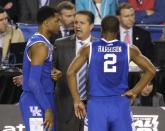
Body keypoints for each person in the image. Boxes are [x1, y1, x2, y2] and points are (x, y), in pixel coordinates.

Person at [67, 15, 156, 131]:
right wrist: (135, 91)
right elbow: (151, 70)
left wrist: (76, 100)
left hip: (96, 105)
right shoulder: (130, 49)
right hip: (120, 103)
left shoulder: (89, 48)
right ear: (118, 30)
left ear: (101, 30)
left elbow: (70, 73)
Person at [52, 10, 97, 131]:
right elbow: (51, 67)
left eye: (82, 23)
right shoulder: (60, 44)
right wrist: (53, 72)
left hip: (92, 105)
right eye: (76, 22)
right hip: (66, 103)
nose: (77, 26)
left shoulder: (99, 46)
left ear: (91, 26)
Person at [19, 6, 60, 131]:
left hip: (43, 96)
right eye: (57, 21)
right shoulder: (40, 46)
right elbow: (33, 82)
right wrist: (47, 108)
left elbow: (38, 70)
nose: (60, 24)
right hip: (36, 100)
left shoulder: (43, 42)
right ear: (46, 23)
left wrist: (52, 71)